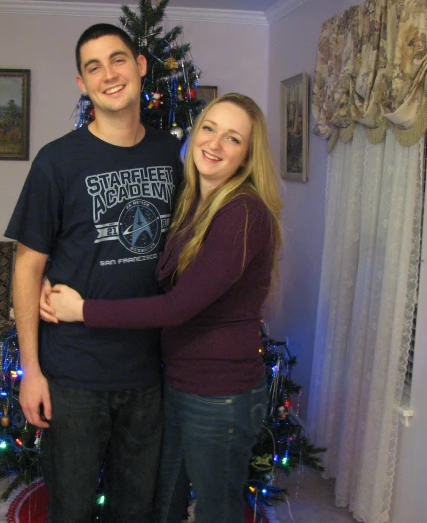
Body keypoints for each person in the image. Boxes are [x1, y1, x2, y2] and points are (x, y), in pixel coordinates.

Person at [44, 93, 283, 523]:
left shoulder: (242, 213)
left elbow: (178, 307)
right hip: (179, 382)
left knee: (216, 510)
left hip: (220, 393)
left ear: (247, 156)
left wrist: (82, 309)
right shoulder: (192, 202)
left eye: (233, 138)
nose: (214, 144)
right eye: (209, 129)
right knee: (165, 501)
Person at [4, 23, 182, 523]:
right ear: (82, 84)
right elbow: (27, 266)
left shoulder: (173, 155)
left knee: (137, 510)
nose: (109, 74)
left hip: (148, 373)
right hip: (73, 374)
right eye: (93, 67)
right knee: (72, 509)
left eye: (118, 59)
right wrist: (31, 371)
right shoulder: (57, 162)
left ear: (141, 66)